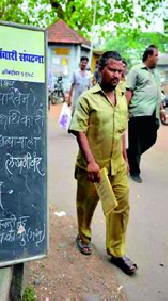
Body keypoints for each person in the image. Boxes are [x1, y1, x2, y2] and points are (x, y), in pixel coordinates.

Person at [69, 51, 138, 275]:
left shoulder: (121, 97)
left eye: (120, 71)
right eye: (112, 70)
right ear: (100, 70)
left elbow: (122, 129)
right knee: (87, 204)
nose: (117, 75)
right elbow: (79, 131)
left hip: (117, 164)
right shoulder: (88, 98)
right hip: (93, 167)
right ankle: (84, 236)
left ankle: (117, 251)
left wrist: (126, 158)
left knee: (121, 207)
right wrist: (90, 162)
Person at [126, 45, 166, 183]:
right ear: (149, 56)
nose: (157, 58)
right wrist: (125, 110)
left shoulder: (155, 72)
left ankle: (130, 154)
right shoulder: (136, 70)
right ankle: (134, 172)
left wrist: (161, 109)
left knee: (151, 139)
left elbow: (157, 93)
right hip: (138, 112)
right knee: (135, 142)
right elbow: (129, 91)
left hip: (152, 113)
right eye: (156, 55)